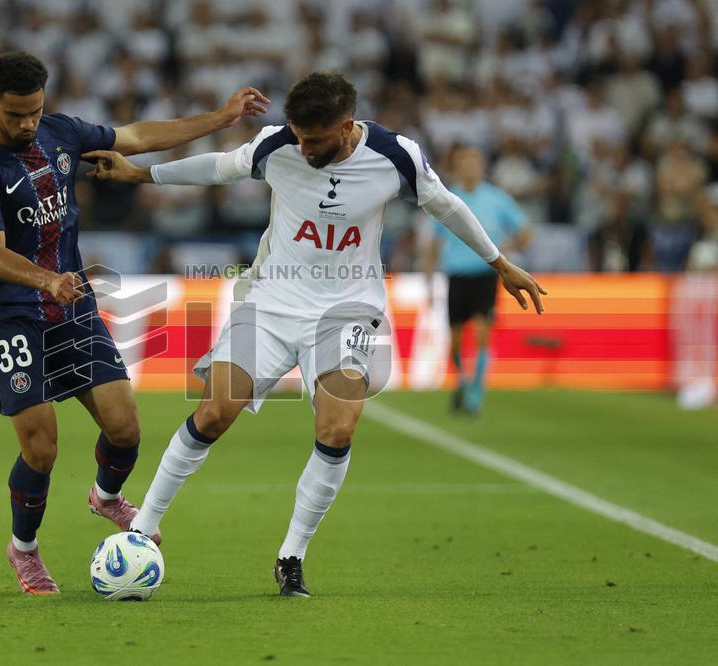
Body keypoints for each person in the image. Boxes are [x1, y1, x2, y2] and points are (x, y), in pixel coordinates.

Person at [83, 72, 546, 597]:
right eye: (298, 136)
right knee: (214, 412)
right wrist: (140, 175)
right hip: (272, 301)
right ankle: (141, 533)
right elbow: (218, 167)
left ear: (346, 127)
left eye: (315, 140)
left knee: (338, 429)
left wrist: (499, 262)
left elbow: (446, 205)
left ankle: (292, 556)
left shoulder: (396, 155)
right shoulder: (277, 144)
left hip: (350, 310)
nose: (303, 149)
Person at [0, 51, 268, 595]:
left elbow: (138, 135)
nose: (28, 124)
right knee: (41, 447)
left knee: (125, 429)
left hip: (68, 302)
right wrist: (46, 280)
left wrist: (218, 119)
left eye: (35, 111)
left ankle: (105, 496)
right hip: (8, 312)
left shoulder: (61, 132)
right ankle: (24, 551)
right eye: (16, 115)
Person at [424, 143, 531, 415]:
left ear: (482, 166)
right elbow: (434, 244)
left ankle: (475, 394)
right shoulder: (448, 199)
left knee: (483, 334)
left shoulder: (497, 199)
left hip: (485, 276)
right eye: (464, 162)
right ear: (456, 167)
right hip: (456, 276)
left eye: (474, 161)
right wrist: (428, 278)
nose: (470, 166)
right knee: (457, 341)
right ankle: (462, 379)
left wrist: (507, 252)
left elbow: (525, 231)